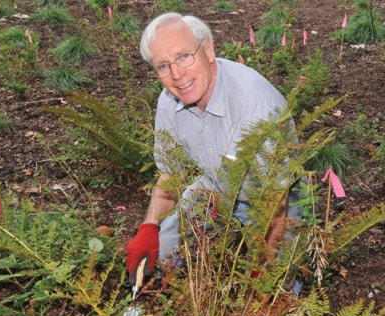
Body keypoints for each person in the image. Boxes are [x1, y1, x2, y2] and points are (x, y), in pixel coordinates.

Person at [126, 12, 301, 289]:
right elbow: (171, 173)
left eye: (184, 56)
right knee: (166, 251)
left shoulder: (255, 103)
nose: (177, 75)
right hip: (215, 186)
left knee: (279, 287)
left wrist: (262, 268)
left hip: (275, 196)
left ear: (208, 49)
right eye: (163, 65)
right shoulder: (169, 102)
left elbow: (274, 198)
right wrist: (150, 227)